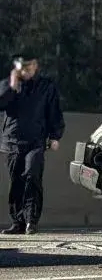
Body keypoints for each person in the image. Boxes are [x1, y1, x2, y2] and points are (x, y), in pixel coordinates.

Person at [0, 53, 64, 235]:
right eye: (22, 66)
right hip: (12, 142)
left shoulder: (46, 87)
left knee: (32, 176)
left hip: (36, 141)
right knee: (16, 182)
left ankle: (31, 221)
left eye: (29, 66)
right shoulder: (9, 85)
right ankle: (18, 222)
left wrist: (55, 136)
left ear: (35, 65)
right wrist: (12, 85)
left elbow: (54, 112)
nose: (26, 70)